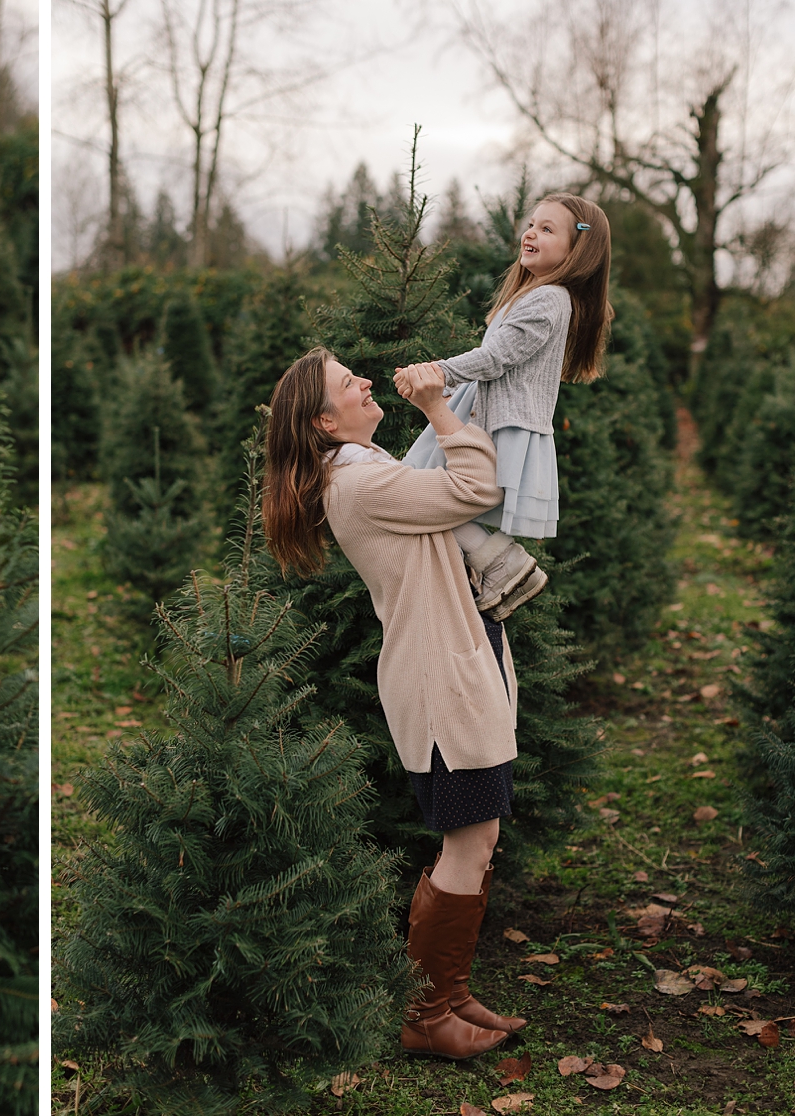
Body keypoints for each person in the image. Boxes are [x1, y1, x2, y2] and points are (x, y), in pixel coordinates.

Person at [264, 348, 525, 1060]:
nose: (366, 382)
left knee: (480, 837)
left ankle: (452, 993)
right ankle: (426, 1012)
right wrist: (438, 405)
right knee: (468, 840)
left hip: (457, 663)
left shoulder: (367, 467)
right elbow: (475, 487)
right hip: (440, 680)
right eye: (349, 383)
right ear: (325, 420)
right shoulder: (359, 481)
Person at [396, 194, 613, 620]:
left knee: (424, 491)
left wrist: (437, 372)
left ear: (578, 248)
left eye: (547, 229)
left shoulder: (550, 299)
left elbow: (496, 358)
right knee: (421, 488)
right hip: (481, 412)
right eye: (531, 224)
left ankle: (501, 565)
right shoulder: (536, 294)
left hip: (500, 425)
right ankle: (497, 565)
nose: (530, 233)